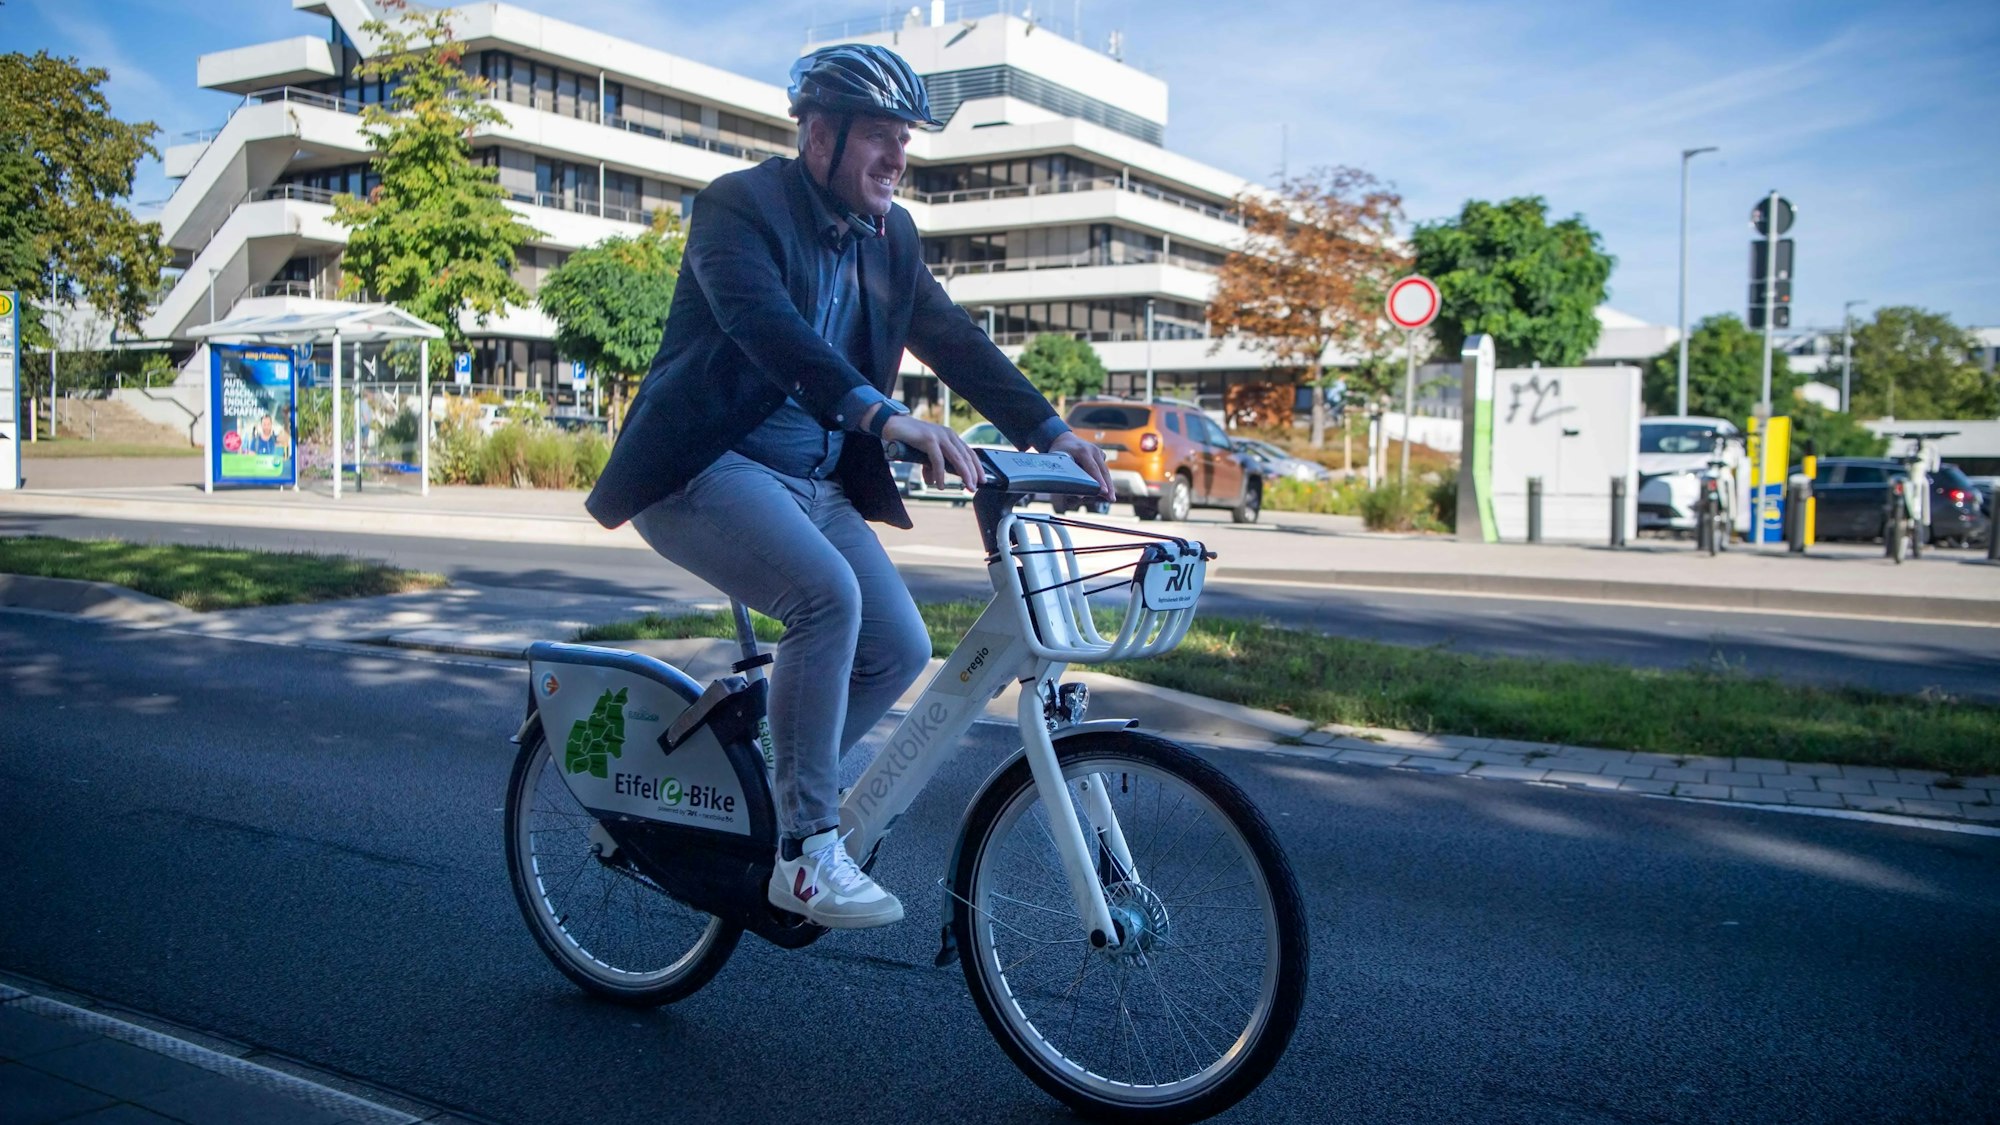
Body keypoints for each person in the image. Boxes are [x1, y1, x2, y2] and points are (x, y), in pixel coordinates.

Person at [585, 43, 1112, 929]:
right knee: (827, 601)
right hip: (705, 470)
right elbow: (771, 330)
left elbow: (952, 337)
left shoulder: (891, 237)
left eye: (905, 140)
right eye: (881, 138)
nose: (898, 160)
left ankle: (760, 790)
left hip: (815, 483)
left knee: (898, 648)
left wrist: (1050, 428)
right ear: (819, 134)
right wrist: (881, 415)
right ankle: (805, 850)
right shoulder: (738, 209)